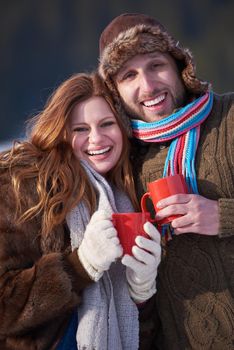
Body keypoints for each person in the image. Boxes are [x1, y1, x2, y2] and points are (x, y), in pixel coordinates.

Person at [98, 13, 234, 349]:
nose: (148, 86)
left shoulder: (229, 118)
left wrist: (224, 216)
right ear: (115, 90)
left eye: (156, 65)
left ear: (179, 66)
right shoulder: (119, 160)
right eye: (129, 75)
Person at [0, 72, 161, 349]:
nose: (96, 139)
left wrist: (142, 292)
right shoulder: (24, 184)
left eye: (107, 124)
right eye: (80, 129)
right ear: (61, 133)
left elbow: (137, 336)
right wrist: (80, 266)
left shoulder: (127, 196)